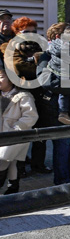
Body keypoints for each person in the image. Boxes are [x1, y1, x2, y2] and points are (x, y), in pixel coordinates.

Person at [2, 17, 54, 174]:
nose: (31, 34)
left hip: (40, 93)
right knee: (22, 132)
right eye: (26, 31)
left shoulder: (41, 46)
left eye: (33, 31)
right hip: (21, 94)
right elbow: (18, 67)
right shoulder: (8, 46)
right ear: (17, 32)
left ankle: (38, 164)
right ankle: (19, 167)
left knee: (41, 131)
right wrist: (39, 64)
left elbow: (51, 66)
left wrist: (38, 63)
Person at [0, 65, 39, 194]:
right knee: (12, 162)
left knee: (3, 160)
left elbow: (31, 116)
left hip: (16, 136)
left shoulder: (24, 96)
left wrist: (16, 128)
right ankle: (13, 187)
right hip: (4, 136)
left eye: (1, 77)